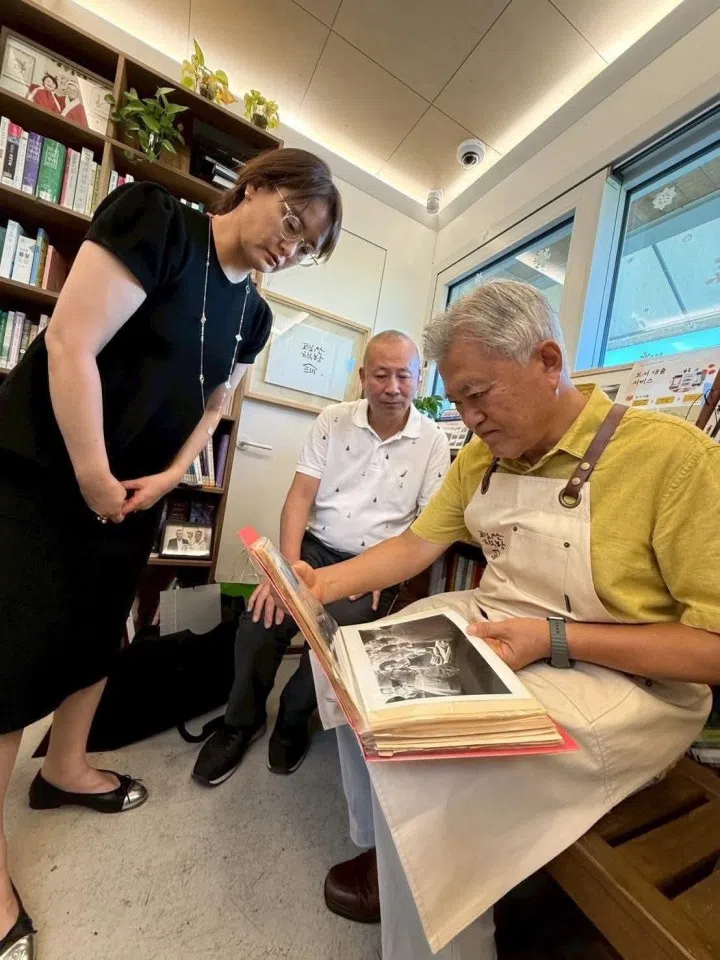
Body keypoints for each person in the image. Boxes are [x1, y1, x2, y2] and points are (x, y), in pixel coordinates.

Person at [291, 279, 718, 959]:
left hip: (632, 681)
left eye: (477, 395)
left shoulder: (672, 459)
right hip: (503, 628)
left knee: (430, 756)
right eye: (457, 400)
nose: (468, 417)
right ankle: (389, 853)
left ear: (548, 361)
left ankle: (440, 929)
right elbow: (413, 547)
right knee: (346, 656)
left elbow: (712, 648)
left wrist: (554, 637)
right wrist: (314, 585)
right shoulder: (484, 457)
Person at [0, 147, 342, 958]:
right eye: (290, 222)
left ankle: (66, 769)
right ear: (254, 185)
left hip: (129, 492)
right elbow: (70, 345)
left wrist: (172, 474)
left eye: (305, 248)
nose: (288, 248)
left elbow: (220, 399)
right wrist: (91, 472)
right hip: (50, 471)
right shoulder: (156, 221)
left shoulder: (253, 314)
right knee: (11, 659)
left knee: (98, 635)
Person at [192, 330, 450, 785]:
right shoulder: (333, 420)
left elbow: (426, 525)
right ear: (362, 376)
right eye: (381, 375)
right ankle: (242, 723)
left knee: (335, 641)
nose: (392, 387)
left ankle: (293, 722)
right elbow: (299, 498)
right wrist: (284, 571)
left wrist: (387, 566)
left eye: (403, 376)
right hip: (313, 549)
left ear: (420, 377)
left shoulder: (432, 441)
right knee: (260, 619)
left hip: (375, 564)